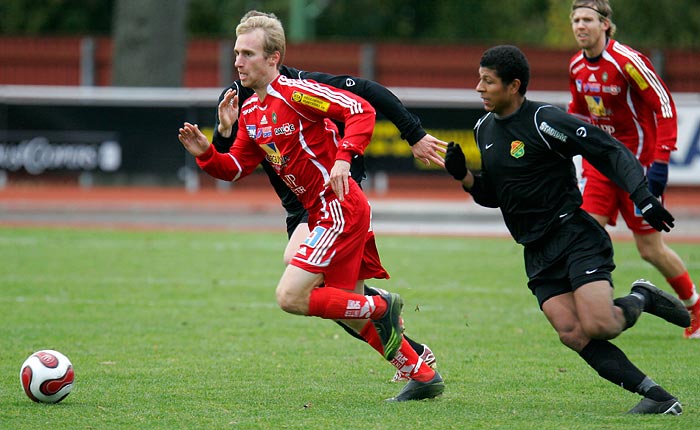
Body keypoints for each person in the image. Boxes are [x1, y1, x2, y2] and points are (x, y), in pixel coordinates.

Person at [178, 12, 444, 402]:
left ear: (274, 58)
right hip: (323, 213)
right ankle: (420, 373)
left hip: (338, 209)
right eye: (236, 53)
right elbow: (235, 167)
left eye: (248, 54)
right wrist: (206, 153)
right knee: (341, 308)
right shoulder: (251, 113)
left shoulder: (297, 92)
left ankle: (380, 305)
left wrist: (343, 157)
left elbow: (361, 110)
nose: (237, 62)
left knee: (291, 297)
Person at [444, 45, 689, 414]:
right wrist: (463, 176)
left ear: (513, 86)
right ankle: (658, 398)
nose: (479, 87)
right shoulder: (484, 129)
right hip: (535, 249)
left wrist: (643, 196)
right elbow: (495, 196)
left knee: (601, 324)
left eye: (487, 80)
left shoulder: (545, 120)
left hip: (573, 235)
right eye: (480, 78)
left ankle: (643, 296)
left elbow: (609, 150)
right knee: (572, 334)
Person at [568, 0, 699, 339]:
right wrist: (573, 155)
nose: (581, 26)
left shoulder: (628, 62)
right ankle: (594, 307)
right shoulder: (576, 67)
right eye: (576, 20)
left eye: (588, 20)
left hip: (636, 168)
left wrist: (661, 159)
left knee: (649, 249)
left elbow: (664, 105)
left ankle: (695, 306)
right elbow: (578, 114)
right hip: (600, 168)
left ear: (606, 25)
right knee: (585, 235)